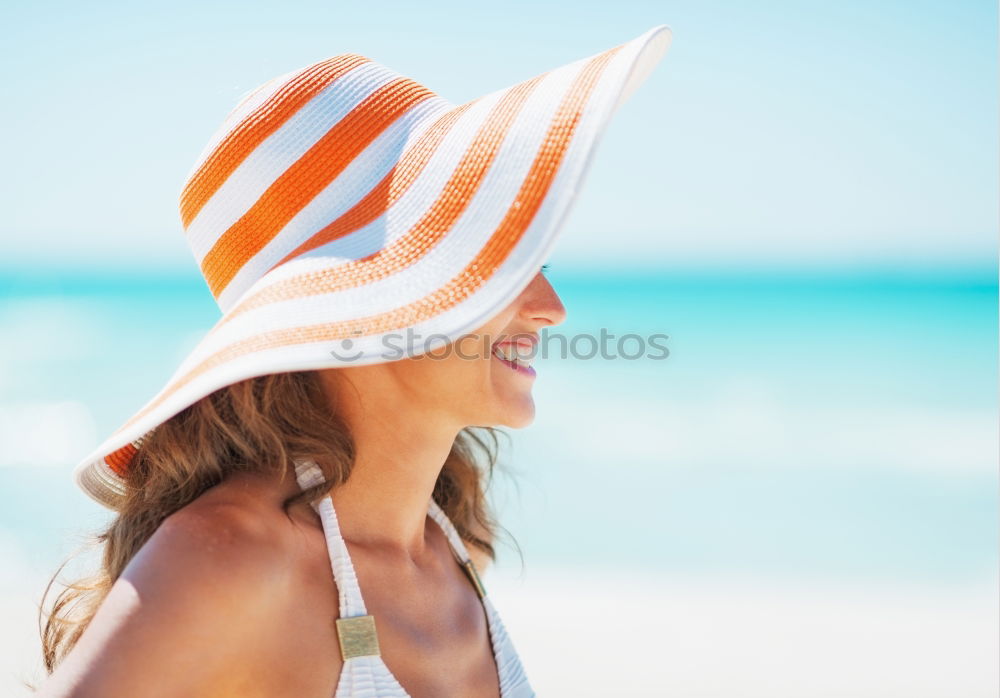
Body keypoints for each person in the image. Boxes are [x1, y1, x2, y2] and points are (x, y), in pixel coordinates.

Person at [36, 23, 672, 697]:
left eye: (534, 261)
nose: (552, 306)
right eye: (500, 264)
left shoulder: (450, 548)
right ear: (367, 308)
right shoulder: (232, 558)